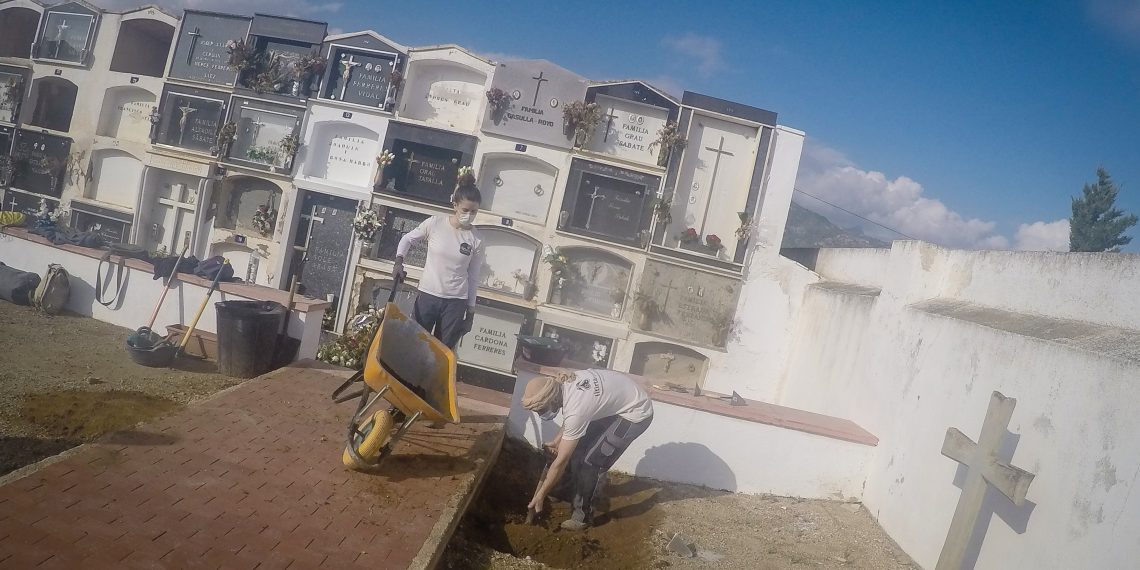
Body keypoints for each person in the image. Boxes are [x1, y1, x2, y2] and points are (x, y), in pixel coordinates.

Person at [522, 368, 654, 530]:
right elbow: (572, 418)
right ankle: (561, 491)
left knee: (591, 462)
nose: (541, 414)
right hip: (612, 406)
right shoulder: (565, 385)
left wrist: (541, 495)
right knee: (576, 449)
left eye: (541, 410)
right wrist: (557, 440)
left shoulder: (576, 409)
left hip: (635, 413)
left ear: (553, 399)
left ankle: (582, 517)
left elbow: (561, 460)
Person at [392, 172, 484, 350]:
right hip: (428, 294)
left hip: (455, 302)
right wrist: (398, 261)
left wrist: (471, 311)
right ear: (455, 205)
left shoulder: (477, 239)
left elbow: (473, 276)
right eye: (465, 210)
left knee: (442, 351)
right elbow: (407, 239)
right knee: (416, 345)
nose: (469, 215)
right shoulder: (435, 224)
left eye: (474, 212)